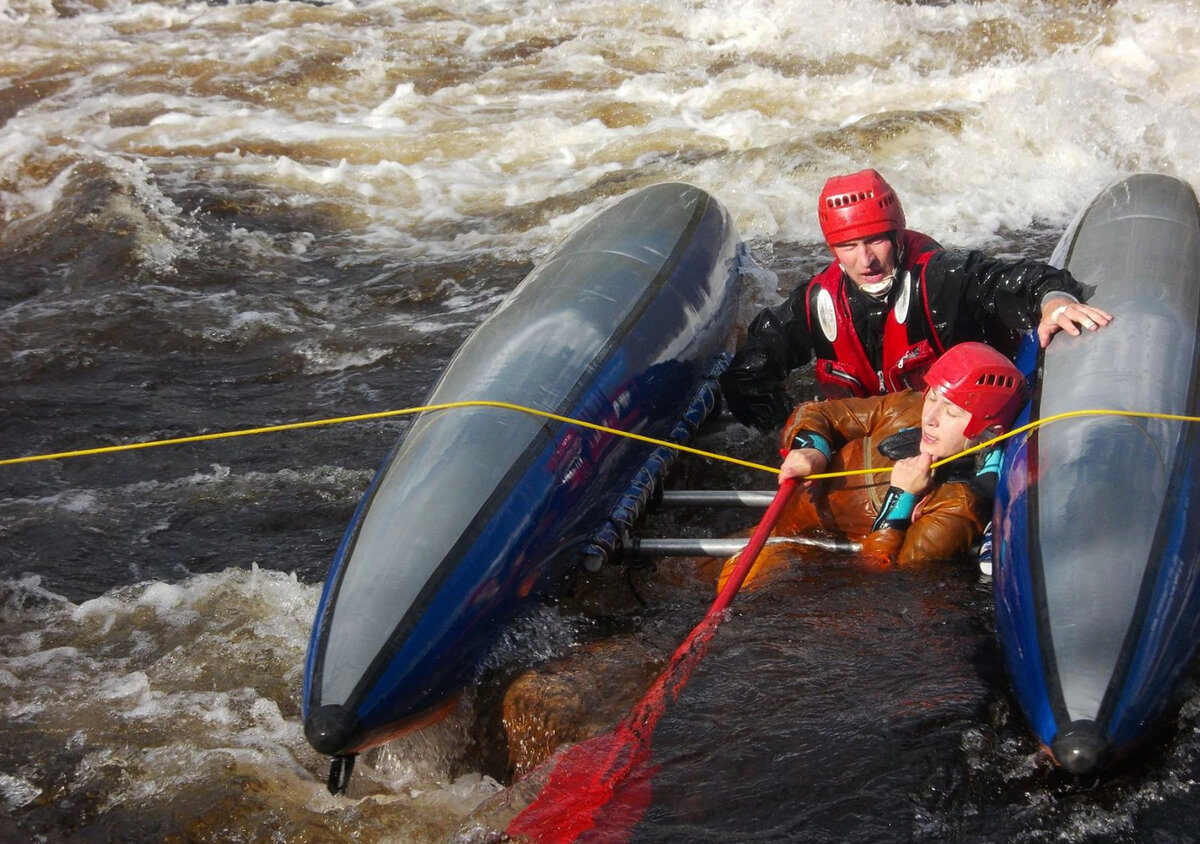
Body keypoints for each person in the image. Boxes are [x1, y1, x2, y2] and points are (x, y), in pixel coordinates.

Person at [720, 169, 1112, 431]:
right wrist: (792, 430)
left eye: (875, 240)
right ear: (833, 248)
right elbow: (748, 374)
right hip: (870, 439)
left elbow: (1015, 278)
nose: (866, 260)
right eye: (848, 246)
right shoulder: (817, 301)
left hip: (949, 435)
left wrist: (1053, 300)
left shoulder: (943, 278)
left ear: (896, 234)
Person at [717, 341, 1026, 590]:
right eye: (933, 398)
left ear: (990, 433)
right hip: (772, 525)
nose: (930, 418)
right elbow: (820, 413)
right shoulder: (908, 407)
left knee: (742, 587)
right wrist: (813, 448)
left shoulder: (959, 508)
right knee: (677, 573)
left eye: (952, 413)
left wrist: (901, 498)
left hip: (801, 559)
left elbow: (884, 576)